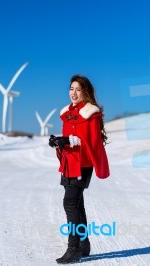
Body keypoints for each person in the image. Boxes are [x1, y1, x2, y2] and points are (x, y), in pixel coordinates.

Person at [49, 74, 110, 264]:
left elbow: (92, 142)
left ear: (85, 92)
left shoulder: (91, 113)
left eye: (78, 89)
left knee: (69, 203)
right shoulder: (67, 113)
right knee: (77, 204)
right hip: (68, 163)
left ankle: (73, 248)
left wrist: (75, 141)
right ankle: (84, 244)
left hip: (82, 164)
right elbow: (70, 137)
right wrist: (58, 142)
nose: (73, 93)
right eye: (71, 89)